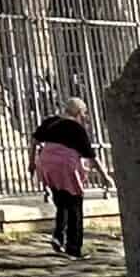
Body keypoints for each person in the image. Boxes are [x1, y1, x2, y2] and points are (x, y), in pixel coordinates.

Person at [31, 97, 108, 259]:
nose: (85, 116)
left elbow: (34, 140)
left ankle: (58, 236)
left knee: (61, 202)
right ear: (79, 113)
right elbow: (91, 156)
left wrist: (31, 162)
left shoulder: (51, 121)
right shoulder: (76, 128)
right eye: (84, 113)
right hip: (65, 167)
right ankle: (74, 247)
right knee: (75, 206)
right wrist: (105, 176)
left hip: (47, 164)